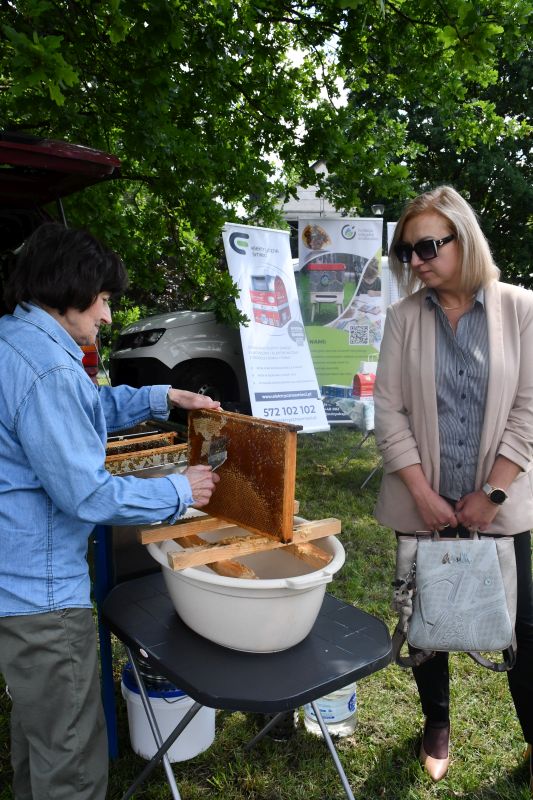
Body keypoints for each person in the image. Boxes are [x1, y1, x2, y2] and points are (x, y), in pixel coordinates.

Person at [0, 222, 221, 800]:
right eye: (101, 298)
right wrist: (180, 490)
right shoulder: (48, 368)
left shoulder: (15, 340)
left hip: (14, 588)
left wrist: (161, 396)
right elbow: (87, 494)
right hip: (44, 602)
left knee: (40, 738)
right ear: (68, 288)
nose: (106, 313)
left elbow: (83, 405)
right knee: (70, 762)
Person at [373, 186, 533, 787]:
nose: (414, 261)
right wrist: (422, 495)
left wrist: (491, 495)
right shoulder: (403, 318)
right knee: (428, 617)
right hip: (425, 501)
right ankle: (436, 725)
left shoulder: (521, 308)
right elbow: (388, 412)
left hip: (499, 502)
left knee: (522, 625)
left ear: (463, 239)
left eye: (427, 247)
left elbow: (529, 409)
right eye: (405, 251)